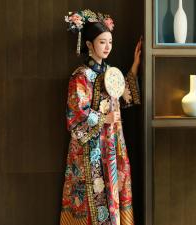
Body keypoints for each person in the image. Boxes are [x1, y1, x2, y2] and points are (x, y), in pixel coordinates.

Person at [60, 9, 142, 225]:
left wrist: (134, 66)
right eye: (102, 42)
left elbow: (125, 97)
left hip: (113, 143)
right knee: (89, 195)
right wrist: (103, 119)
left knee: (115, 186)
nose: (107, 47)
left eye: (110, 42)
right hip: (90, 147)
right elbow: (75, 113)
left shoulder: (112, 73)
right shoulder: (81, 76)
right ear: (89, 45)